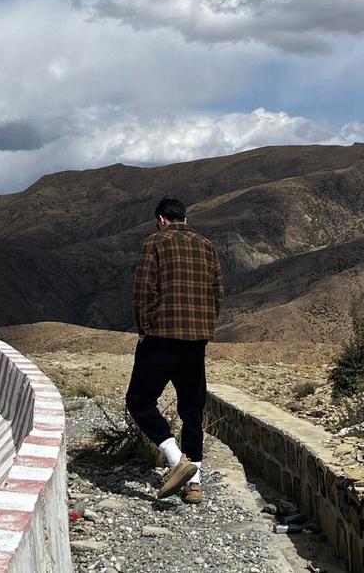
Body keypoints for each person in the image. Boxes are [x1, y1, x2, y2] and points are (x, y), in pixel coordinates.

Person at [125, 196, 224, 504]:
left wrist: (145, 329)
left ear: (162, 220)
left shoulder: (154, 242)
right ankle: (194, 483)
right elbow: (217, 292)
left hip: (162, 337)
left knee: (139, 401)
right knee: (192, 408)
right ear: (185, 218)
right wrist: (205, 326)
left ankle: (175, 459)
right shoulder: (206, 246)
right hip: (196, 340)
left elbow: (144, 291)